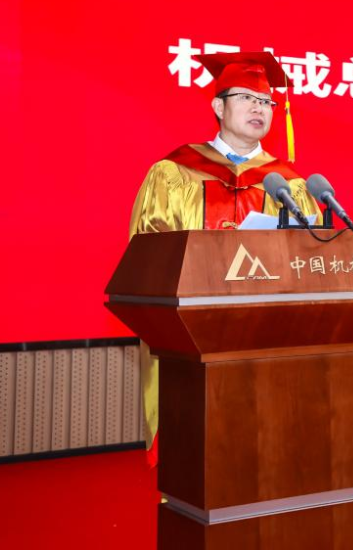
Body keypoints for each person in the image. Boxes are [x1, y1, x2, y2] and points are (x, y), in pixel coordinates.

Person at [128, 51, 321, 458]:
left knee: (266, 442)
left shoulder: (290, 184)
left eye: (266, 101)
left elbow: (309, 258)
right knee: (197, 447)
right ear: (218, 106)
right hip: (194, 329)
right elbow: (148, 254)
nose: (259, 108)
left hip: (267, 331)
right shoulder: (174, 172)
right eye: (247, 98)